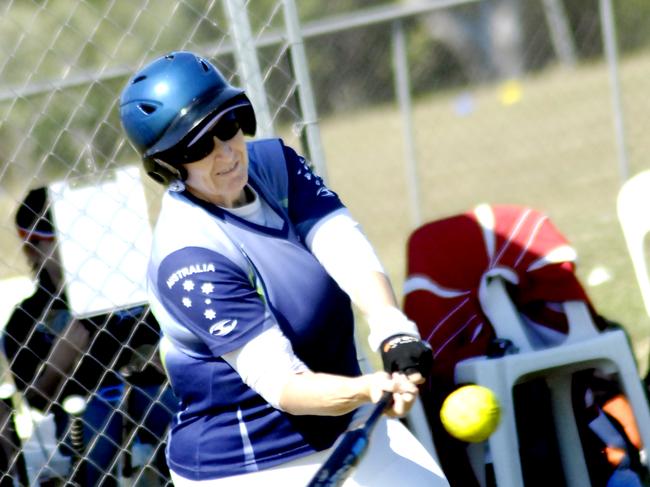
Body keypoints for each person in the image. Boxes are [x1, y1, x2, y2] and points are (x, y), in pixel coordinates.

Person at [119, 50, 449, 486]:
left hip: (345, 426)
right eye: (199, 146)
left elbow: (343, 245)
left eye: (228, 126)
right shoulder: (189, 256)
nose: (226, 153)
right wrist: (367, 389)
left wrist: (392, 328)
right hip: (248, 464)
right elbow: (283, 386)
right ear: (168, 165)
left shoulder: (275, 165)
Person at [1, 187, 176, 486]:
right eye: (60, 239)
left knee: (167, 407)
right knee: (98, 424)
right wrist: (62, 358)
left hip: (147, 391)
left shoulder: (135, 291)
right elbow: (34, 402)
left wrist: (164, 358)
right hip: (83, 411)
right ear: (33, 249)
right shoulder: (27, 318)